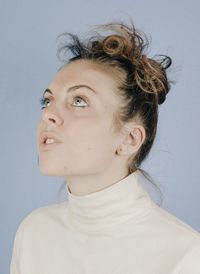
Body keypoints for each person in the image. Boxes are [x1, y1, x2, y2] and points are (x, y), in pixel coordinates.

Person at [10, 20, 200, 274]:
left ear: (130, 139)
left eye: (79, 101)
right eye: (47, 101)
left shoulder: (185, 255)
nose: (48, 114)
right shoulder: (34, 232)